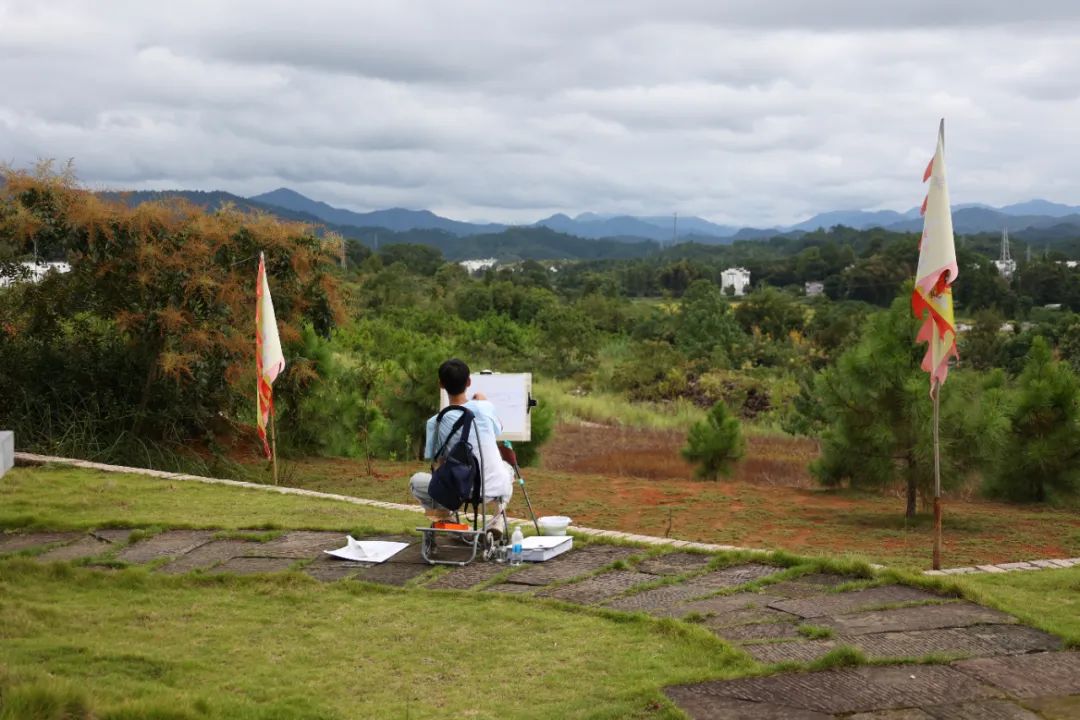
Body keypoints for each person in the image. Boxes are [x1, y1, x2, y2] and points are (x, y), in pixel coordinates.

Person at [409, 359, 514, 530]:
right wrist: (484, 402)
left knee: (415, 481)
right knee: (507, 468)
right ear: (469, 382)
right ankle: (497, 521)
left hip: (459, 490)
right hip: (494, 487)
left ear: (441, 384)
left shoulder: (435, 422)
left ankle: (448, 520)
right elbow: (498, 429)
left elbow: (438, 462)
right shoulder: (484, 408)